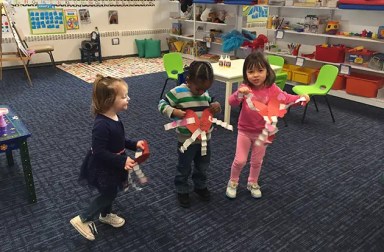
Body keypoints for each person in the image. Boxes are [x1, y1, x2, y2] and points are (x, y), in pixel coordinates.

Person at [70, 75, 146, 241]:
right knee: (109, 193)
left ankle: (105, 215)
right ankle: (82, 218)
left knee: (112, 189)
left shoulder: (115, 117)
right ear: (110, 100)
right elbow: (99, 152)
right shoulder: (101, 125)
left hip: (114, 162)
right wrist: (121, 160)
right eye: (124, 96)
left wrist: (134, 145)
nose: (129, 99)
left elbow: (119, 140)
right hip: (104, 165)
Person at [225, 51, 310, 199]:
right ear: (246, 74)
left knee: (257, 161)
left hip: (263, 132)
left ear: (267, 71)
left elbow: (286, 98)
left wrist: (301, 98)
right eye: (251, 71)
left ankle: (253, 182)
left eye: (260, 70)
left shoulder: (272, 89)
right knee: (240, 160)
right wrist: (239, 93)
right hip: (244, 130)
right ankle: (233, 181)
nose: (256, 75)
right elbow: (231, 102)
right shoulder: (245, 88)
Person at [158, 61, 221, 208]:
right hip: (186, 139)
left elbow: (210, 101)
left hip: (205, 138)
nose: (201, 92)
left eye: (205, 89)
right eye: (198, 89)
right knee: (184, 166)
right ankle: (182, 188)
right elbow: (162, 104)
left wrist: (216, 105)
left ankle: (200, 186)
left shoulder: (204, 91)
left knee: (203, 165)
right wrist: (173, 111)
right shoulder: (178, 92)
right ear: (188, 80)